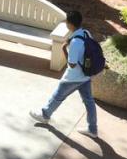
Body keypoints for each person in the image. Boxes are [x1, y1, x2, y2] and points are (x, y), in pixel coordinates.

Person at [30, 10, 98, 138]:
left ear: (70, 24)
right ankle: (92, 129)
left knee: (58, 96)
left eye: (67, 21)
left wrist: (64, 49)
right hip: (85, 76)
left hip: (73, 77)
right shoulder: (86, 33)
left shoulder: (75, 42)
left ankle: (45, 115)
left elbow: (72, 64)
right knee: (89, 101)